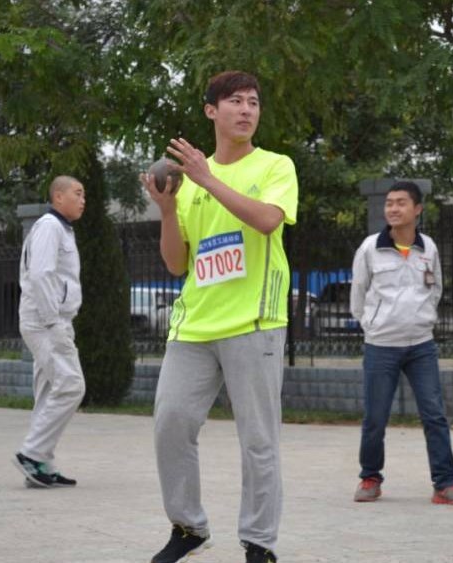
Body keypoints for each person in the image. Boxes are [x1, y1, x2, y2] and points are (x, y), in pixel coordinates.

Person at [140, 71, 298, 563]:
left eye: (254, 102)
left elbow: (268, 220)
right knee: (170, 423)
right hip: (193, 326)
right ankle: (188, 527)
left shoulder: (275, 165)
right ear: (212, 111)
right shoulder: (187, 182)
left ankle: (259, 542)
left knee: (258, 440)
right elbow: (176, 264)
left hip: (255, 323)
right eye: (235, 101)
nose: (247, 110)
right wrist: (169, 210)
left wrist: (207, 178)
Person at [350, 181, 453, 506]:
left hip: (421, 345)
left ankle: (445, 484)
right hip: (381, 345)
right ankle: (370, 477)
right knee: (375, 417)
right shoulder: (370, 248)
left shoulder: (427, 247)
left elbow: (436, 288)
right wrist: (372, 325)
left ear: (417, 209)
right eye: (389, 203)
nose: (393, 208)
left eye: (401, 203)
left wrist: (423, 319)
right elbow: (358, 294)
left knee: (435, 415)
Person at [13, 175, 86, 488]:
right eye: (77, 193)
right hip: (45, 322)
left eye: (84, 195)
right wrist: (53, 321)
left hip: (50, 319)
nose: (83, 200)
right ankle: (31, 453)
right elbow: (41, 275)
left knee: (48, 391)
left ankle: (41, 463)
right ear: (58, 196)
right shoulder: (49, 227)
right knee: (71, 385)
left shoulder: (61, 229)